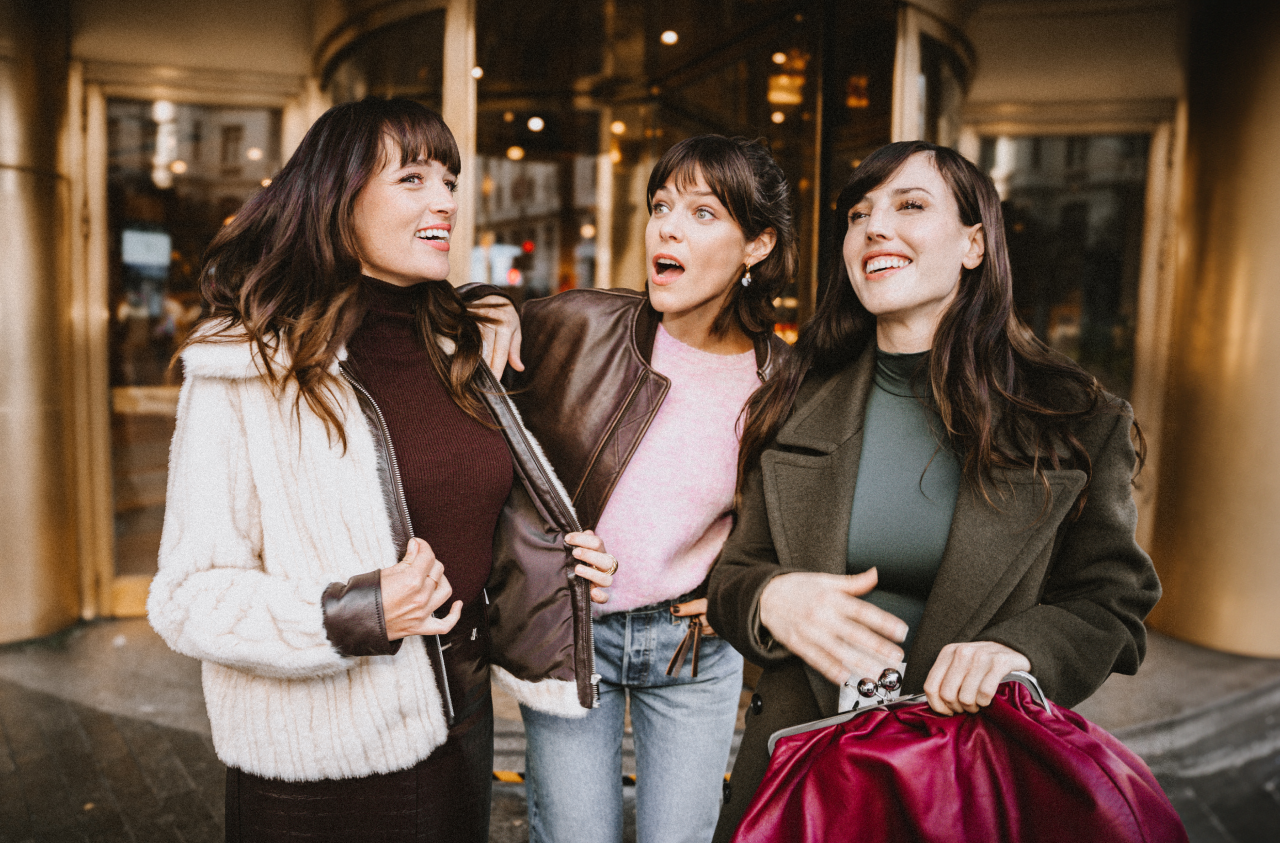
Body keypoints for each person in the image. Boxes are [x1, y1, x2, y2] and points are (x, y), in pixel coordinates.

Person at [146, 97, 615, 841]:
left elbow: (468, 513)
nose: (446, 201)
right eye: (413, 178)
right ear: (340, 197)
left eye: (451, 180)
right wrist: (355, 613)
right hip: (320, 764)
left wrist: (556, 557)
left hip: (458, 724)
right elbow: (188, 594)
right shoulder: (246, 365)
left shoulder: (461, 343)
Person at [706, 140, 1162, 842]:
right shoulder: (794, 399)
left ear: (975, 243)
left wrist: (1017, 650)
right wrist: (771, 598)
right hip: (800, 785)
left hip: (968, 788)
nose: (875, 227)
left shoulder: (1078, 419)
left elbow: (1113, 603)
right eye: (858, 215)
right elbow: (733, 578)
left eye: (909, 205)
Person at [485, 135, 795, 843]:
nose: (669, 226)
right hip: (574, 636)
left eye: (703, 212)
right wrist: (484, 305)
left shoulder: (785, 379)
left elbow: (800, 521)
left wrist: (739, 592)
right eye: (661, 206)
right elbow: (470, 426)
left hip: (694, 650)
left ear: (757, 245)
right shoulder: (581, 324)